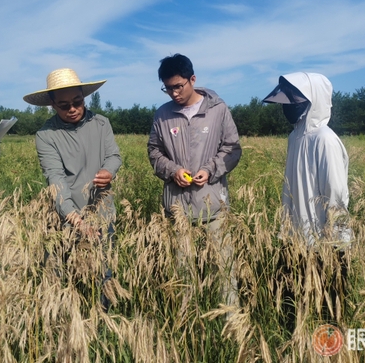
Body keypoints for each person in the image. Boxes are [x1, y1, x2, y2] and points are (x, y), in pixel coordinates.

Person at [147, 53, 242, 308]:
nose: (174, 93)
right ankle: (186, 320)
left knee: (224, 270)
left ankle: (231, 321)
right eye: (168, 88)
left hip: (213, 205)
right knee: (182, 271)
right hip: (178, 207)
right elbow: (154, 152)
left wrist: (210, 170)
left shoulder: (217, 110)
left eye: (178, 86)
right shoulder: (162, 114)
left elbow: (232, 149)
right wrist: (173, 170)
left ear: (193, 79)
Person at [23, 68, 122, 309]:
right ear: (52, 105)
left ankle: (103, 320)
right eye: (64, 105)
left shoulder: (101, 123)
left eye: (77, 102)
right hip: (65, 218)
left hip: (102, 213)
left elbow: (114, 156)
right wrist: (76, 220)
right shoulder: (46, 135)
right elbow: (55, 180)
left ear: (84, 97)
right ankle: (67, 320)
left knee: (104, 273)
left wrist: (109, 171)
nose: (73, 109)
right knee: (61, 275)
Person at [263, 72, 352, 328]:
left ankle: (331, 342)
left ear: (314, 99)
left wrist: (333, 239)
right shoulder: (295, 137)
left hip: (323, 237)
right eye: (287, 100)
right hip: (295, 234)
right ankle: (295, 336)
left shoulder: (325, 140)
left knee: (329, 302)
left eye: (295, 100)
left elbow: (335, 193)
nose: (288, 106)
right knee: (294, 296)